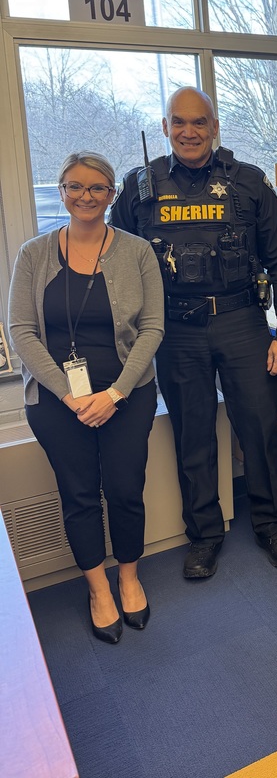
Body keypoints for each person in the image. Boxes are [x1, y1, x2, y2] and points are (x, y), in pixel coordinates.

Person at [110, 86, 277, 580]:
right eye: (179, 122)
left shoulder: (249, 183)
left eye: (199, 122)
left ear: (215, 127)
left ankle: (272, 524)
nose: (189, 132)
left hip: (242, 322)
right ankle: (204, 536)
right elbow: (118, 261)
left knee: (260, 431)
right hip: (175, 329)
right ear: (165, 127)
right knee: (192, 434)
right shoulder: (139, 187)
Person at [9, 153, 164, 645]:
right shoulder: (33, 254)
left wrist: (116, 392)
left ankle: (129, 577)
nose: (86, 196)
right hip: (58, 403)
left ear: (112, 195)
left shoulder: (138, 252)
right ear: (61, 191)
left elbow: (153, 329)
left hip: (128, 394)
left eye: (97, 188)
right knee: (78, 496)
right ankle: (98, 589)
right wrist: (70, 397)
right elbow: (22, 332)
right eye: (75, 187)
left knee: (123, 489)